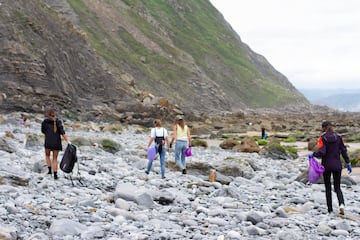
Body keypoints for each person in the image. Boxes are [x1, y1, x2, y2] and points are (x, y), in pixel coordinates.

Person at [309, 121, 352, 215]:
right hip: (337, 165)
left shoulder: (322, 138)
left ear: (323, 128)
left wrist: (313, 154)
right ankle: (341, 204)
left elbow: (322, 152)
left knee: (328, 187)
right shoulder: (339, 137)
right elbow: (344, 151)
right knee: (337, 187)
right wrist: (348, 162)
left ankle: (330, 210)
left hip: (327, 166)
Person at [41, 109, 68, 179]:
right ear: (54, 114)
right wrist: (67, 141)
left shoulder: (45, 122)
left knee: (47, 156)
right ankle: (55, 174)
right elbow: (62, 132)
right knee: (55, 158)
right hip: (56, 142)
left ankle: (49, 171)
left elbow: (43, 131)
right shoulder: (58, 122)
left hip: (48, 141)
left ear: (48, 115)